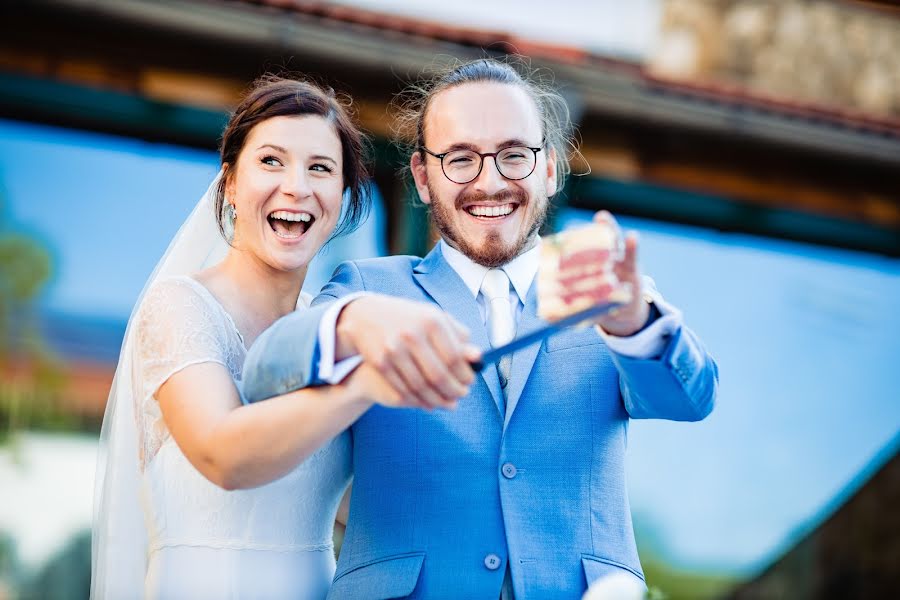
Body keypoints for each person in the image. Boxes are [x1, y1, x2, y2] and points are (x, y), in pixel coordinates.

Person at [241, 58, 719, 599]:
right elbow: (266, 369)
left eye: (514, 156)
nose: (490, 182)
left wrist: (636, 324)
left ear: (550, 169)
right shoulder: (368, 288)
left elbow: (693, 396)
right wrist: (352, 320)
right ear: (423, 177)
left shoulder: (603, 287)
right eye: (461, 159)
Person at [90, 75, 417, 599]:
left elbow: (370, 510)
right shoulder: (180, 306)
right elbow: (225, 455)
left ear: (343, 195)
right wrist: (368, 382)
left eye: (320, 168)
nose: (297, 186)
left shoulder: (328, 332)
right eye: (271, 161)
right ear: (231, 185)